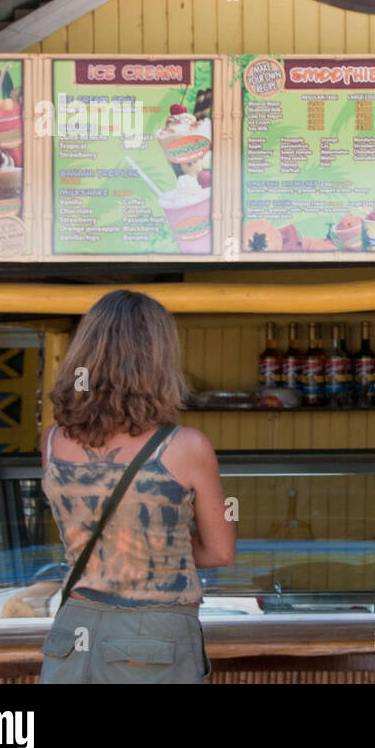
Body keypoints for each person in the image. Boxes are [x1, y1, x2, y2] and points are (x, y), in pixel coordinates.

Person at [38, 290, 235, 683]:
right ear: (158, 359)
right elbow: (219, 551)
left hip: (70, 631)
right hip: (150, 640)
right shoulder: (185, 446)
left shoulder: (52, 441)